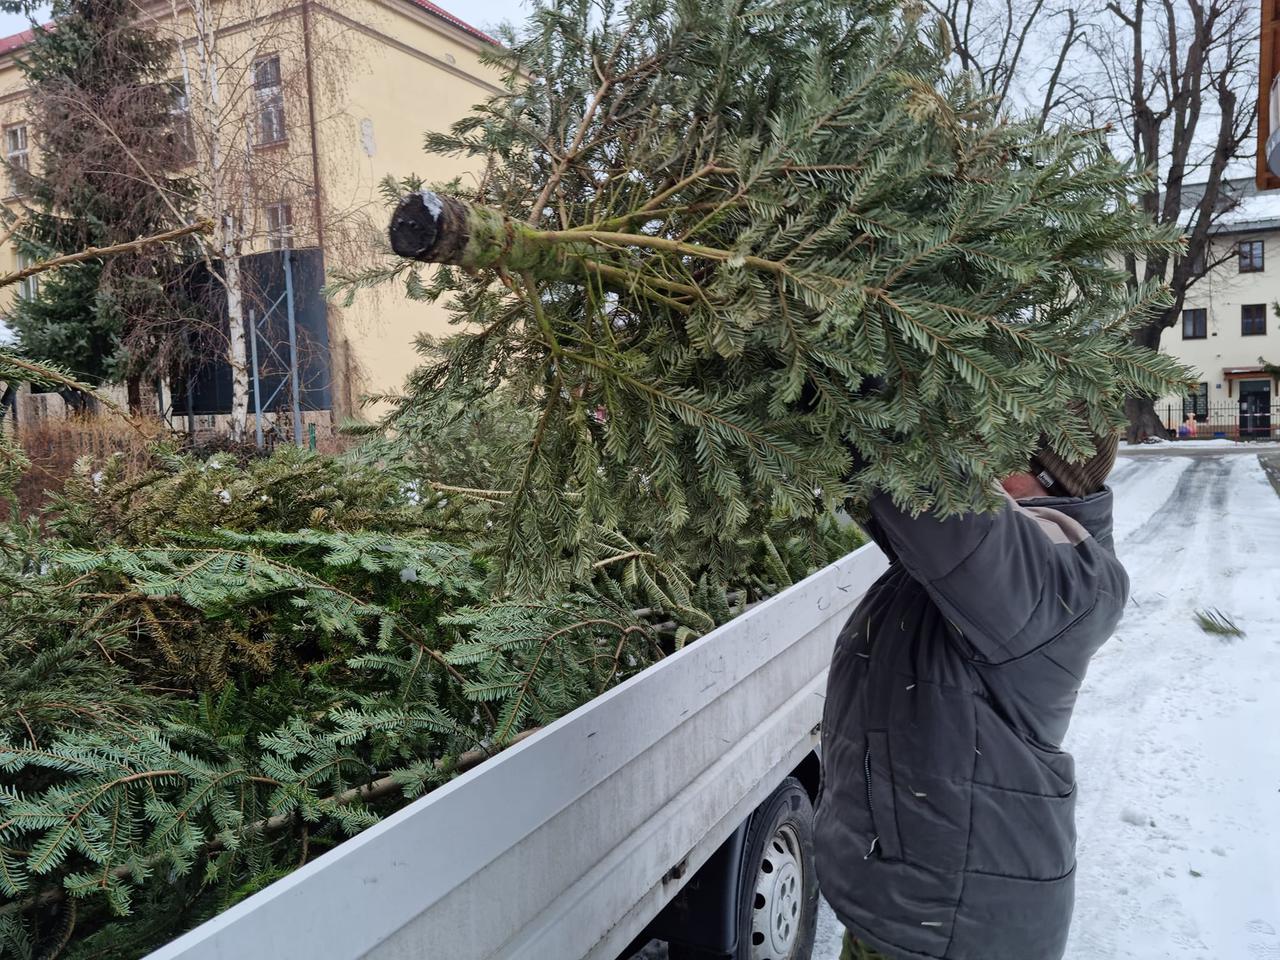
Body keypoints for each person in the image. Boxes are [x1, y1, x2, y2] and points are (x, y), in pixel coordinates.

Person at [816, 431, 1126, 960]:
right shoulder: (1003, 561)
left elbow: (908, 469)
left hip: (951, 931)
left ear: (1039, 471)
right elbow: (882, 489)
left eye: (992, 438)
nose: (974, 445)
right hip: (917, 916)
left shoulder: (1058, 576)